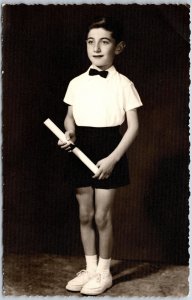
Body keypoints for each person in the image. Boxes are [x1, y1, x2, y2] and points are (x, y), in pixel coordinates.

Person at [58, 16, 143, 295]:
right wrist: (69, 134)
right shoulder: (76, 82)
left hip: (109, 151)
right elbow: (70, 117)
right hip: (80, 150)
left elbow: (133, 127)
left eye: (104, 42)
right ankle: (91, 269)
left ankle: (104, 274)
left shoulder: (124, 84)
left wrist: (113, 159)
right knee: (85, 214)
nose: (96, 48)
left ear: (118, 47)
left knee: (102, 217)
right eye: (91, 42)